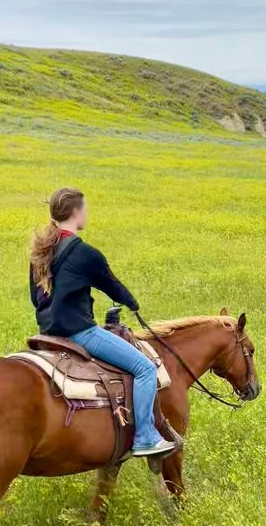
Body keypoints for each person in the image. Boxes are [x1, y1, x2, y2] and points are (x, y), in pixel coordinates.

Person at [29, 187, 175, 458]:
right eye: (84, 208)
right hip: (80, 334)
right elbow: (112, 286)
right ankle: (145, 436)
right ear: (75, 212)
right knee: (144, 368)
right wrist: (132, 303)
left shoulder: (40, 252)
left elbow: (34, 298)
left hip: (47, 334)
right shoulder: (85, 254)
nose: (86, 213)